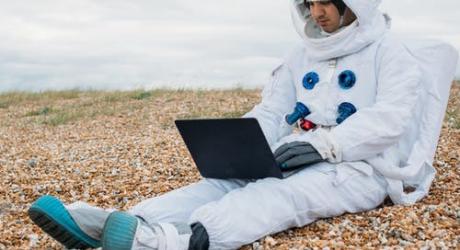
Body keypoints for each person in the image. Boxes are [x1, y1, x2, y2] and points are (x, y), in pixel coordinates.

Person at [28, 0, 455, 249]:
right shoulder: (300, 54)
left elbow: (392, 119)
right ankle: (119, 224)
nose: (317, 12)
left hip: (359, 167)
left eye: (326, 2)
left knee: (278, 195)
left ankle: (171, 242)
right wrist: (241, 143)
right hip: (295, 152)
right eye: (309, 2)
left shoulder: (389, 53)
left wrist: (328, 146)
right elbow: (272, 112)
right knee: (220, 184)